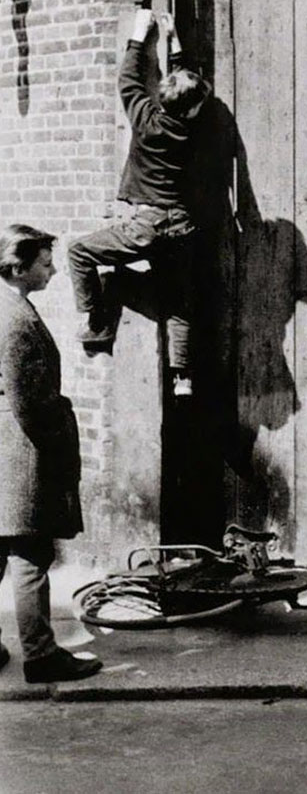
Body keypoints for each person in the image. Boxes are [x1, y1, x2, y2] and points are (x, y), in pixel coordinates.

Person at [68, 9, 210, 398]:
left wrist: (138, 35)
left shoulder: (146, 119)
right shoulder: (194, 128)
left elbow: (128, 80)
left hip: (146, 224)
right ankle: (182, 376)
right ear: (193, 109)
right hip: (181, 226)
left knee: (79, 252)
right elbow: (186, 92)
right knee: (178, 302)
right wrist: (174, 41)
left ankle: (96, 322)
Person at [0, 223, 102, 684]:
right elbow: (29, 402)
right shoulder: (16, 321)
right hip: (21, 449)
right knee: (31, 551)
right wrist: (59, 435)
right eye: (45, 263)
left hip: (6, 444)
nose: (54, 271)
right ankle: (40, 655)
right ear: (17, 267)